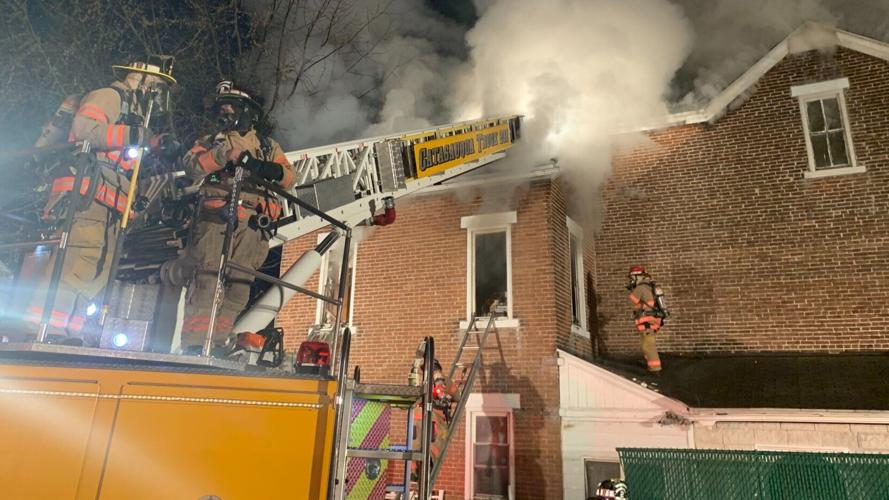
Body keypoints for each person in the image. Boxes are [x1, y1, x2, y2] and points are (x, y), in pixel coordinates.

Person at [19, 56, 175, 341]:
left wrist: (152, 142)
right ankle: (43, 330)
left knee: (94, 270)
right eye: (157, 85)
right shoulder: (109, 96)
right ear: (138, 78)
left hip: (106, 202)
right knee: (75, 262)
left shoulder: (132, 112)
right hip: (85, 196)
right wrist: (134, 135)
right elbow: (84, 129)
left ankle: (68, 331)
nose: (159, 94)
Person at [179, 81, 295, 354]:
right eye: (221, 108)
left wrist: (256, 165)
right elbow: (191, 167)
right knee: (207, 279)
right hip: (216, 219)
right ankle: (195, 345)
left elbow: (289, 178)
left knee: (240, 287)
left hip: (254, 227)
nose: (225, 112)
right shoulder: (210, 142)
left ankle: (217, 342)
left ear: (247, 112)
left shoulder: (267, 147)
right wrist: (222, 155)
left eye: (230, 107)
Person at [627, 266, 665, 373]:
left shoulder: (640, 288)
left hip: (648, 320)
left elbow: (633, 299)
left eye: (632, 278)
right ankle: (649, 363)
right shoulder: (651, 287)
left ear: (638, 276)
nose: (631, 280)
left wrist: (632, 288)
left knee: (648, 345)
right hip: (655, 319)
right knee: (645, 343)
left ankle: (655, 370)